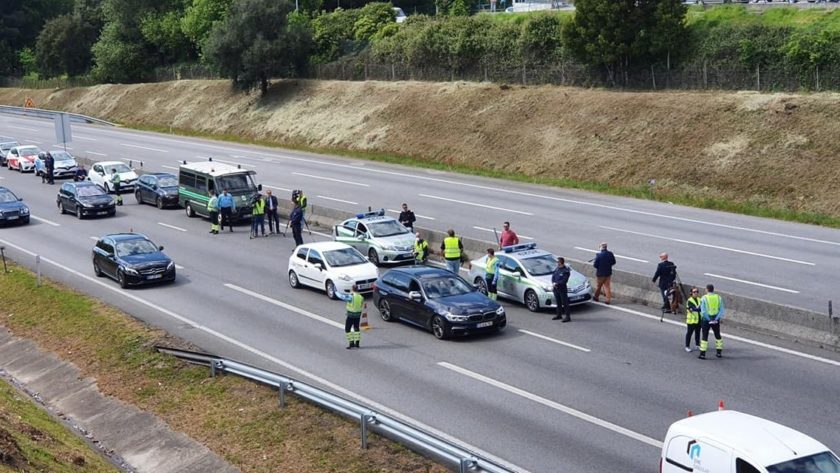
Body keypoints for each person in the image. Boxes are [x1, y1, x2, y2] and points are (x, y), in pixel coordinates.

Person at [698, 284, 725, 359]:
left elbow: (703, 311)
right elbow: (722, 310)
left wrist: (709, 319)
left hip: (706, 320)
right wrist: (716, 318)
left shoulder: (704, 298)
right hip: (716, 319)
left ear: (707, 289)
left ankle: (702, 354)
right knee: (717, 335)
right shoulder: (718, 297)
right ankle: (719, 352)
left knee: (705, 336)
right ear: (713, 289)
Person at [336, 285, 364, 349]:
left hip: (351, 315)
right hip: (358, 315)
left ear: (352, 289)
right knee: (356, 328)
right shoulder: (361, 297)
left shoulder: (351, 296)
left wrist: (336, 291)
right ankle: (357, 343)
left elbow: (341, 296)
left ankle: (351, 343)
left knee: (347, 329)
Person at [552, 257, 571, 322]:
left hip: (562, 289)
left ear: (560, 262)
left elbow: (564, 281)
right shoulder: (557, 269)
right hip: (556, 289)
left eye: (557, 262)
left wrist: (557, 284)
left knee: (565, 303)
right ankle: (559, 315)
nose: (556, 263)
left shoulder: (565, 271)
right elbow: (553, 276)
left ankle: (567, 317)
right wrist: (553, 283)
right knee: (558, 302)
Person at [685, 287, 702, 352]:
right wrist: (697, 308)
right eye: (694, 292)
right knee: (689, 333)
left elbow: (701, 308)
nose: (696, 293)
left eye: (697, 291)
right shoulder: (690, 300)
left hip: (698, 320)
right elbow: (692, 309)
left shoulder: (699, 299)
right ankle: (687, 346)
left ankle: (697, 344)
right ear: (691, 293)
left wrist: (697, 309)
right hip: (691, 320)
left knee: (698, 333)